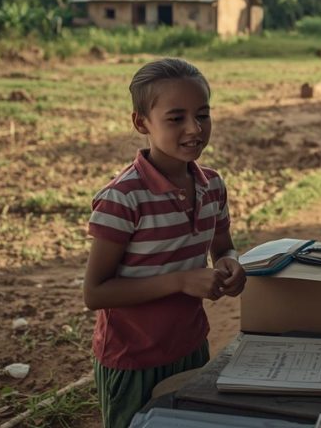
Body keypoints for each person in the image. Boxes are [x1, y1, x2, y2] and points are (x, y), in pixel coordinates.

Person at [83, 58, 246, 428]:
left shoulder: (212, 185)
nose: (194, 129)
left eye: (203, 115)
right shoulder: (123, 197)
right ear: (142, 123)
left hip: (192, 347)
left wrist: (230, 263)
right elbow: (95, 293)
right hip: (132, 360)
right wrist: (181, 281)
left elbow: (223, 246)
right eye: (176, 118)